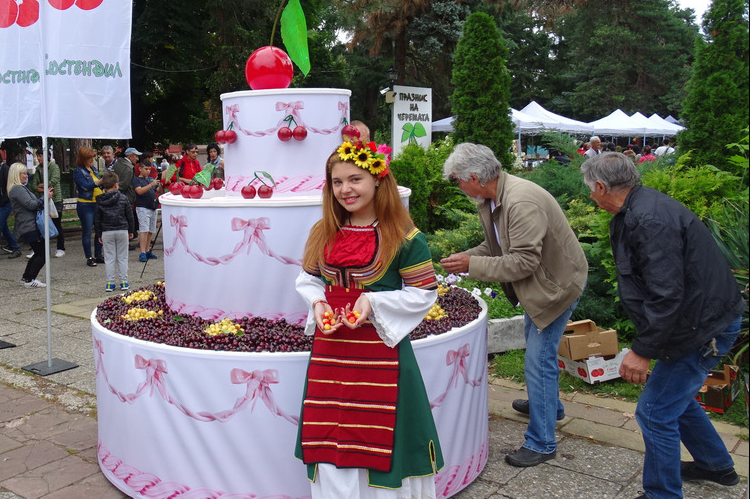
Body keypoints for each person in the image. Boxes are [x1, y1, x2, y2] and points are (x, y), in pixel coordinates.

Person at [580, 153, 744, 499]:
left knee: (654, 412)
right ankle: (716, 466)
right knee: (674, 400)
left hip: (702, 327)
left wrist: (642, 351)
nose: (591, 198)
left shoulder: (648, 219)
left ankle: (662, 495)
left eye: (591, 191)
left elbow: (666, 294)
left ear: (600, 186)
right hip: (699, 319)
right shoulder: (641, 207)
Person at [293, 140, 443, 498]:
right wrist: (317, 302)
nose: (346, 189)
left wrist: (372, 304)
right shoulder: (323, 232)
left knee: (381, 433)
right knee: (331, 434)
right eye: (337, 182)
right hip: (331, 350)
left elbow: (424, 293)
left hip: (383, 353)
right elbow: (310, 278)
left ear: (378, 180)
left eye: (355, 179)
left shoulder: (405, 237)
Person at [440, 142, 587, 468]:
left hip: (557, 288)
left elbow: (522, 263)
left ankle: (542, 442)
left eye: (456, 180)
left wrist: (471, 266)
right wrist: (466, 258)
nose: (458, 186)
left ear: (474, 177)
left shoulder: (519, 201)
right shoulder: (494, 198)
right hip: (544, 285)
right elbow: (495, 246)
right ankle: (549, 407)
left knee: (539, 360)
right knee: (539, 354)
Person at [8, 162, 52, 288]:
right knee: (42, 253)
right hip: (29, 225)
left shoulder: (19, 188)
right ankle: (29, 278)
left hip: (29, 225)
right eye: (23, 173)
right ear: (16, 175)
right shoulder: (17, 189)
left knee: (38, 252)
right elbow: (31, 204)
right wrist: (45, 197)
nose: (26, 175)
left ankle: (27, 277)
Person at [94, 171, 135, 292]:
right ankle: (123, 282)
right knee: (122, 257)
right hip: (122, 229)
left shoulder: (100, 200)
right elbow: (129, 215)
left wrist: (98, 233)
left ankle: (109, 283)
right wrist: (131, 230)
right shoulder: (123, 198)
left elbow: (97, 219)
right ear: (116, 185)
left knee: (109, 258)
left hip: (106, 231)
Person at [28, 149, 66, 257]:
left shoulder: (54, 167)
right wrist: (41, 188)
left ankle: (60, 247)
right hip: (43, 199)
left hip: (55, 199)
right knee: (40, 223)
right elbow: (33, 185)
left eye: (41, 156)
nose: (39, 158)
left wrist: (41, 185)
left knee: (56, 223)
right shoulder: (38, 169)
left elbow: (53, 181)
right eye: (38, 156)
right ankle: (39, 249)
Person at [73, 146, 104, 266]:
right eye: (89, 158)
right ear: (83, 159)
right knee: (87, 231)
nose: (92, 160)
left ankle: (98, 255)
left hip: (98, 203)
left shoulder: (94, 169)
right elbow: (86, 186)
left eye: (93, 157)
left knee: (99, 230)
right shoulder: (78, 172)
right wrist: (98, 182)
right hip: (86, 204)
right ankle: (89, 257)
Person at [132, 160, 161, 262]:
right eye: (146, 169)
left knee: (151, 230)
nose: (148, 171)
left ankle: (148, 250)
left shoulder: (151, 179)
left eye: (149, 169)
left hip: (152, 206)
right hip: (142, 207)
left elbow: (158, 190)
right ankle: (142, 252)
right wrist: (151, 185)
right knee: (144, 230)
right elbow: (139, 191)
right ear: (140, 169)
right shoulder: (136, 180)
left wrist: (160, 184)